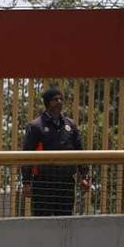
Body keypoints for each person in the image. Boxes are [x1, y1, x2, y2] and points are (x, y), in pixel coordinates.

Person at [21, 87, 90, 216]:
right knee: (42, 223)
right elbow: (27, 154)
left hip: (66, 182)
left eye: (60, 99)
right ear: (47, 103)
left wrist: (84, 176)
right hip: (43, 183)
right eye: (55, 99)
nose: (59, 102)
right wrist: (26, 182)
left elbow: (79, 151)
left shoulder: (70, 125)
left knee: (64, 222)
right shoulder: (36, 126)